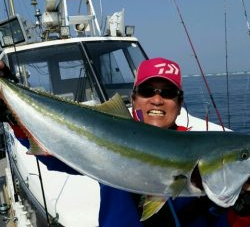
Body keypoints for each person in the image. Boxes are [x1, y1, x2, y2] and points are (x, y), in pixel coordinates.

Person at [1, 58, 250, 226]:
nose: (157, 100)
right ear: (133, 98)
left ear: (179, 102)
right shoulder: (109, 132)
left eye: (168, 93)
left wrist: (240, 211)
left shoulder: (196, 143)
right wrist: (14, 113)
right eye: (147, 91)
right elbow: (54, 154)